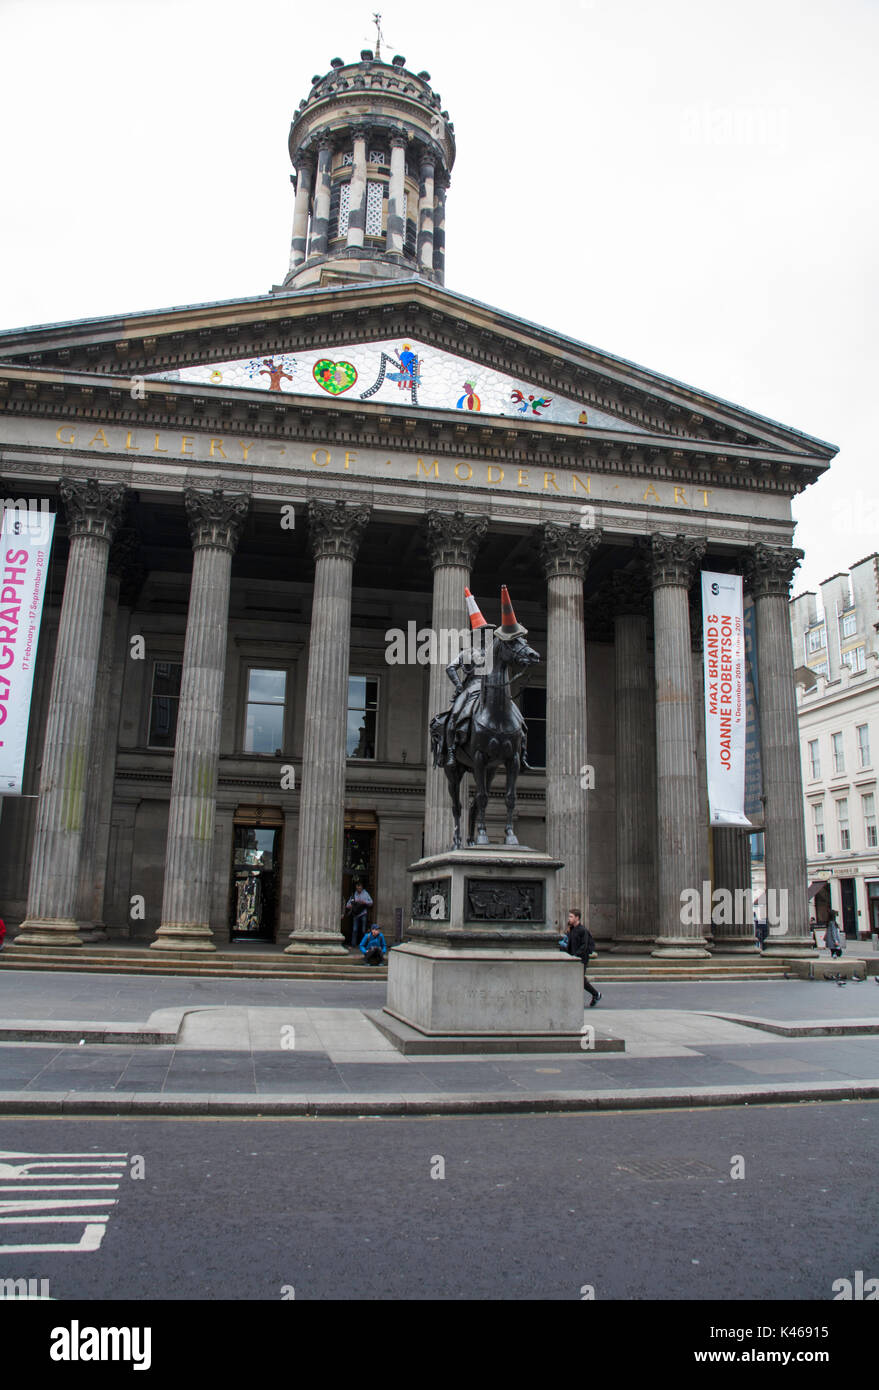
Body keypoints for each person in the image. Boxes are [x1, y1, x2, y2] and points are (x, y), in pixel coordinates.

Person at [566, 908, 601, 1006]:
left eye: (571, 917)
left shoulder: (583, 930)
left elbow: (584, 945)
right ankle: (595, 994)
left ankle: (596, 994)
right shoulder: (571, 930)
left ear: (577, 918)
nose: (569, 918)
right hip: (573, 958)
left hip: (581, 959)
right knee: (578, 979)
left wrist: (576, 955)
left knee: (580, 979)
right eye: (569, 916)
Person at [345, 880, 373, 950]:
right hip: (356, 914)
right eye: (357, 888)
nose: (358, 890)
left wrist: (364, 902)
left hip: (363, 913)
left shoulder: (366, 894)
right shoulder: (354, 895)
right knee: (355, 930)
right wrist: (351, 905)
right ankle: (353, 944)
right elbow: (347, 905)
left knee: (363, 930)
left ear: (362, 887)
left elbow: (371, 902)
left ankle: (364, 944)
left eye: (360, 888)